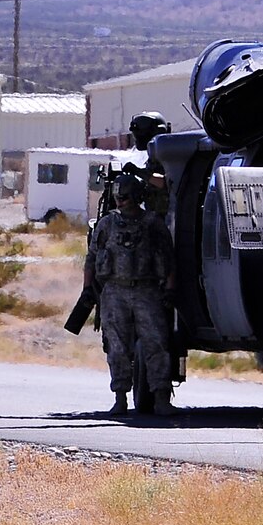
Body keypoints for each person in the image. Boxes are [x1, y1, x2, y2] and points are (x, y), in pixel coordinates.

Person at [84, 173, 177, 416]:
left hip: (147, 290)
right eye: (117, 197)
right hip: (114, 290)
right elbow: (92, 257)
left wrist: (169, 289)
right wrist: (88, 289)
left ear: (136, 197)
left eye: (124, 197)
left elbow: (168, 259)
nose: (119, 201)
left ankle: (161, 399)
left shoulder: (152, 223)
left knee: (156, 343)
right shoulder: (107, 224)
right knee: (116, 346)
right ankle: (120, 397)